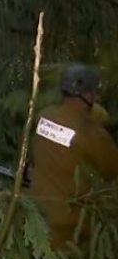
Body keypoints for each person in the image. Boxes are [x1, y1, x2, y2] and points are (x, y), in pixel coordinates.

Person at [29, 64, 118, 248]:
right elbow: (112, 169)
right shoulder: (91, 134)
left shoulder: (44, 116)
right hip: (72, 223)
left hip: (36, 210)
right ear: (88, 95)